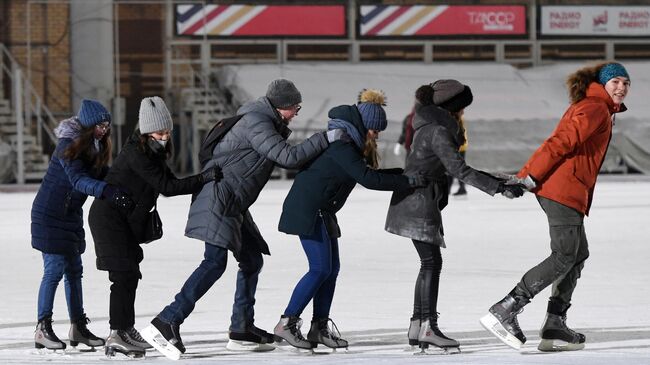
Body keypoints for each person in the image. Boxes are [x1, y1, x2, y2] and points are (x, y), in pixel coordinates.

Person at [141, 79, 345, 360]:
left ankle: (241, 328)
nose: (296, 112)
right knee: (214, 263)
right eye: (294, 107)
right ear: (281, 106)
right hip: (218, 199)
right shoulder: (256, 122)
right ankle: (166, 322)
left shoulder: (265, 122)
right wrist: (325, 138)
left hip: (232, 202)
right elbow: (287, 156)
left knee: (251, 259)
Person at [479, 62, 630, 352]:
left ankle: (554, 324)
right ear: (603, 83)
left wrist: (527, 176)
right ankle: (506, 308)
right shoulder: (595, 107)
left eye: (626, 83)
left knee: (577, 253)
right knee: (564, 256)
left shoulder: (600, 108)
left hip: (569, 190)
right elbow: (561, 141)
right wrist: (529, 177)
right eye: (615, 82)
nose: (621, 88)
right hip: (563, 189)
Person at [273, 89, 426, 350]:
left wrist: (404, 173)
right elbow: (368, 179)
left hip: (323, 210)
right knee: (320, 268)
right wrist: (409, 180)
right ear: (364, 125)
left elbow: (369, 173)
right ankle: (286, 323)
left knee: (330, 270)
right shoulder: (341, 144)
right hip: (310, 209)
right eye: (375, 130)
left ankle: (318, 327)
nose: (376, 136)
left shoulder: (348, 143)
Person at [384, 80, 526, 353]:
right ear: (453, 108)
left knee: (428, 263)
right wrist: (498, 188)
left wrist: (500, 181)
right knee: (431, 263)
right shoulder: (438, 131)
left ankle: (418, 324)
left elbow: (458, 168)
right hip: (418, 203)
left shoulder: (429, 126)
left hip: (417, 200)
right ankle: (427, 327)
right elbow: (459, 170)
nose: (463, 114)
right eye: (462, 108)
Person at [88, 96, 221, 358]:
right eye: (160, 132)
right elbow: (167, 188)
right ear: (147, 131)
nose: (165, 136)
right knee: (123, 276)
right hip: (108, 219)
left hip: (121, 220)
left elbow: (169, 180)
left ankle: (125, 329)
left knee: (130, 275)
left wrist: (198, 180)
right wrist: (204, 178)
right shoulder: (136, 154)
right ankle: (117, 334)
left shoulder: (152, 152)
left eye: (168, 131)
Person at [31, 99, 116, 351]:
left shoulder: (95, 146)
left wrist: (123, 178)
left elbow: (102, 173)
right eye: (100, 125)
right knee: (54, 270)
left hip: (69, 216)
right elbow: (79, 180)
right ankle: (42, 328)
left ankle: (78, 327)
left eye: (107, 125)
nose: (104, 129)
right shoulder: (68, 146)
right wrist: (107, 191)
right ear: (89, 125)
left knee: (74, 272)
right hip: (49, 216)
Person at [447, 116, 468, 196]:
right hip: (460, 147)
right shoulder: (457, 117)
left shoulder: (456, 118)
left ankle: (460, 188)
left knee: (452, 168)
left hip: (458, 147)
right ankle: (457, 188)